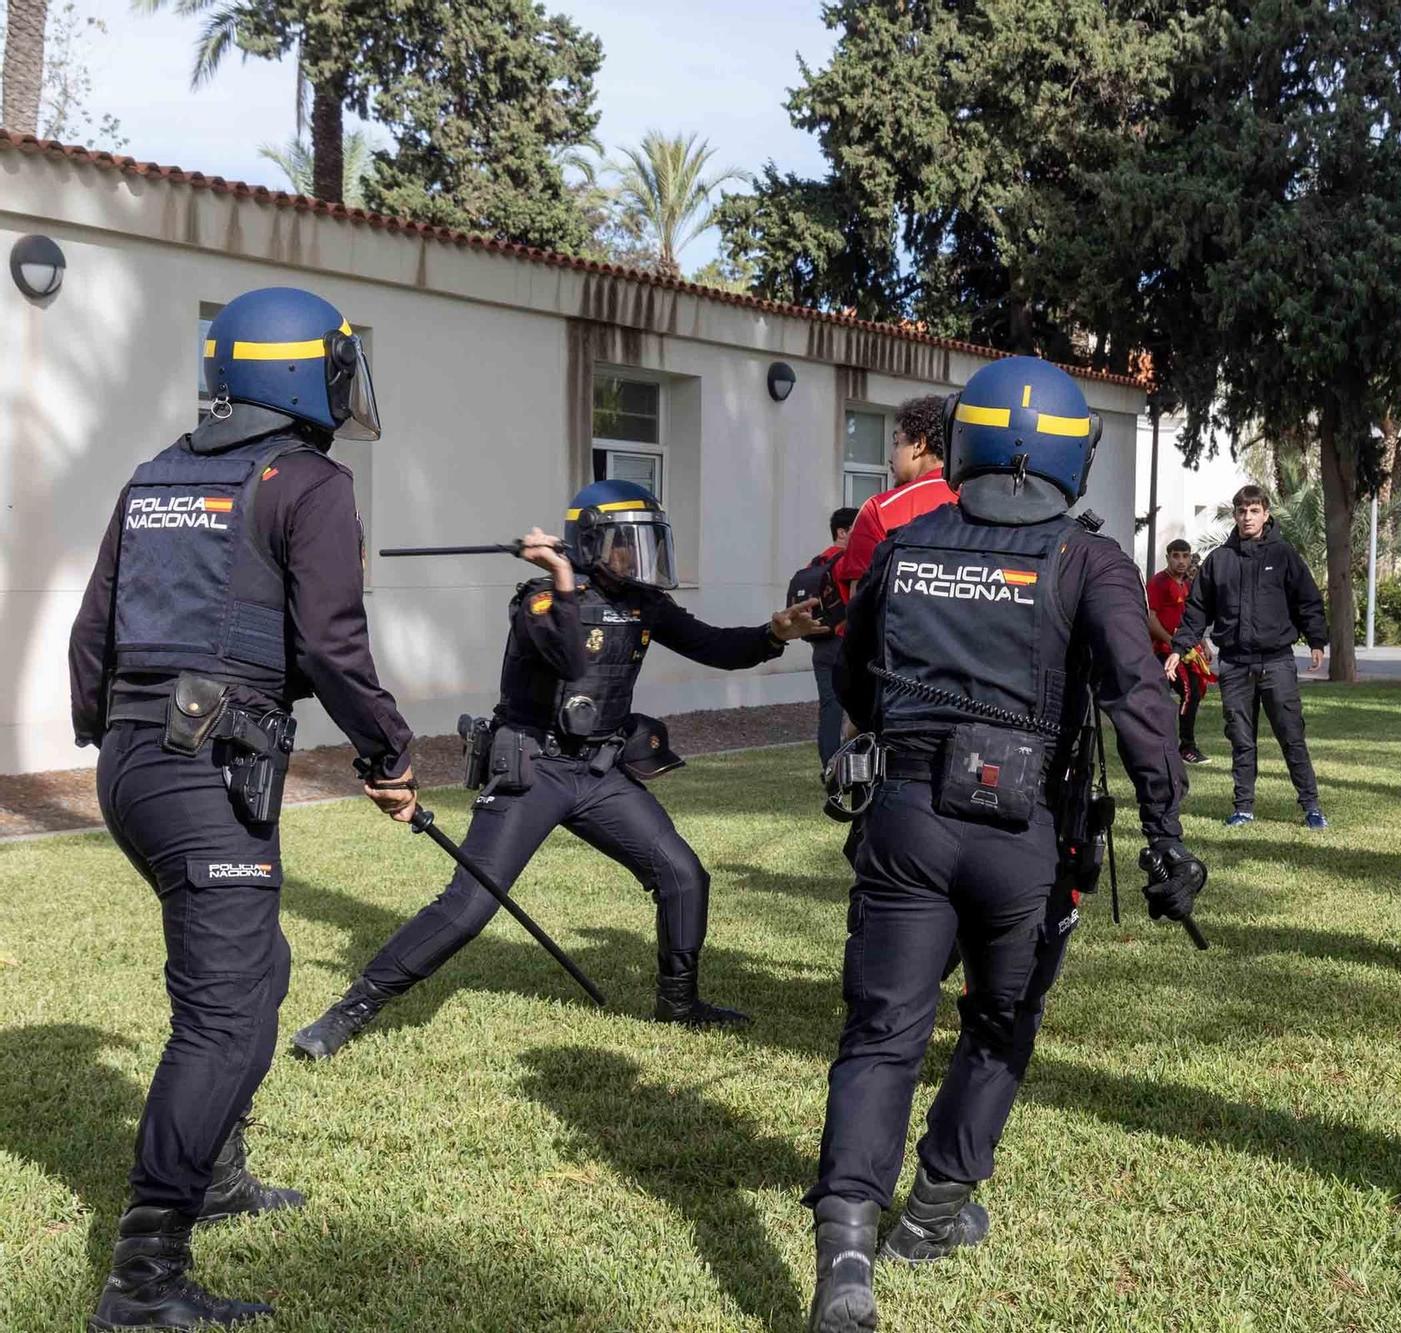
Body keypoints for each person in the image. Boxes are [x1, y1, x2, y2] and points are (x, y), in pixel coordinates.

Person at [803, 356, 1203, 1333]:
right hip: (1021, 836)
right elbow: (1143, 707)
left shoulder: (902, 542)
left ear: (968, 439)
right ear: (1070, 455)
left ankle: (846, 1252)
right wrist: (1166, 842)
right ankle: (933, 1209)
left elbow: (851, 677)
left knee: (881, 1033)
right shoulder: (1086, 559)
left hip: (901, 823)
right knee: (998, 1021)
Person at [67, 287, 419, 1329]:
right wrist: (389, 752)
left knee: (259, 970)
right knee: (223, 1021)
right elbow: (330, 645)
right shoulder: (309, 480)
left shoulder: (154, 478)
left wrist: (120, 742)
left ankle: (215, 1175)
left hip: (135, 765)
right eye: (336, 363)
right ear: (299, 372)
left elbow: (93, 635)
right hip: (204, 770)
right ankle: (143, 1277)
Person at [288, 482, 820, 1058]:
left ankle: (680, 1003)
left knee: (683, 874)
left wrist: (774, 634)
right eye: (622, 544)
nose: (633, 558)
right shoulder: (539, 601)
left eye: (643, 544)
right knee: (470, 907)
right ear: (589, 543)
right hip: (533, 769)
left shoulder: (645, 603)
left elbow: (715, 646)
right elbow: (572, 656)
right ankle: (351, 1011)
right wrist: (565, 580)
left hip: (598, 773)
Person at [1165, 485, 1329, 829]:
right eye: (1242, 511)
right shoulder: (1219, 561)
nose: (1247, 517)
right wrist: (1179, 649)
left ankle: (1311, 806)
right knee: (1240, 738)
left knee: (1291, 735)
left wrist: (1317, 640)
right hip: (1235, 664)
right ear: (1236, 515)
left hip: (1277, 662)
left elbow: (1307, 600)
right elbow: (1197, 610)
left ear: (1266, 514)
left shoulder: (1283, 555)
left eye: (1254, 511)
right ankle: (1243, 807)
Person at [831, 395, 957, 606]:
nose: (891, 456)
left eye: (896, 442)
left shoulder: (879, 510)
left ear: (919, 444)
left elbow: (858, 605)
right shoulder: (979, 500)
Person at [796, 506, 859, 764]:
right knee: (858, 708)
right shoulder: (847, 561)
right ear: (842, 532)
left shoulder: (815, 562)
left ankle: (829, 765)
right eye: (857, 527)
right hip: (844, 642)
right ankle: (852, 763)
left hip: (820, 645)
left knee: (829, 708)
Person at [1147, 538, 1211, 764]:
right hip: (1162, 652)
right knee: (1188, 691)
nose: (1181, 561)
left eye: (1185, 556)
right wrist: (1172, 642)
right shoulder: (1158, 583)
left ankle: (1179, 746)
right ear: (1168, 558)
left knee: (1194, 691)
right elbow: (1150, 619)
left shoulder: (1188, 584)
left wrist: (1202, 644)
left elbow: (1192, 618)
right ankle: (1186, 747)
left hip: (1184, 650)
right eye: (1176, 556)